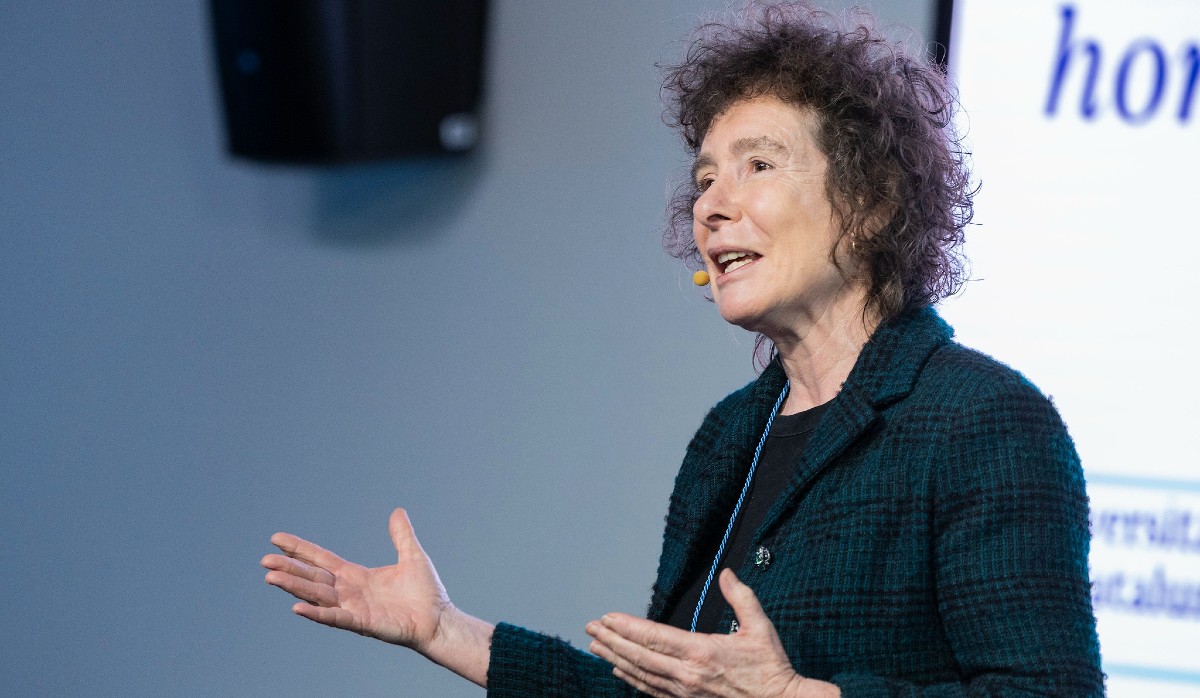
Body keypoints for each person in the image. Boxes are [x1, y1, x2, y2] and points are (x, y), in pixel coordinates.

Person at [261, 2, 1104, 696]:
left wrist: (795, 697)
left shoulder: (983, 423)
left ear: (873, 201)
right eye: (704, 179)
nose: (711, 206)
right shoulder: (729, 437)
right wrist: (444, 629)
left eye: (757, 166)